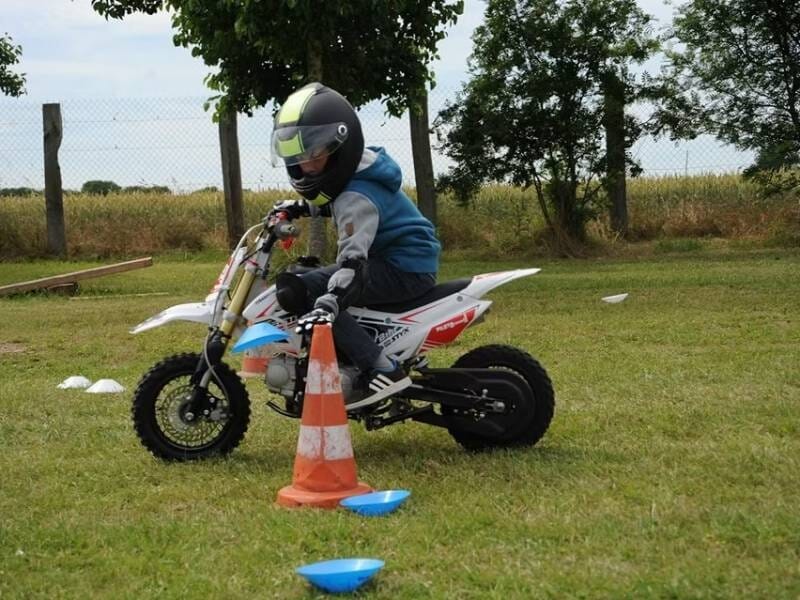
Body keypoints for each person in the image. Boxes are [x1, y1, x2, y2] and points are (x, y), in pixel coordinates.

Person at [269, 82, 441, 406]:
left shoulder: (355, 196)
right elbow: (332, 199)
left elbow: (353, 261)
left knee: (306, 290)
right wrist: (298, 207)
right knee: (309, 283)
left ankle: (381, 368)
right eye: (297, 155)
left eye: (314, 153)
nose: (305, 165)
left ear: (340, 147)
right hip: (400, 259)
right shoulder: (355, 174)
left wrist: (329, 301)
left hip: (404, 267)